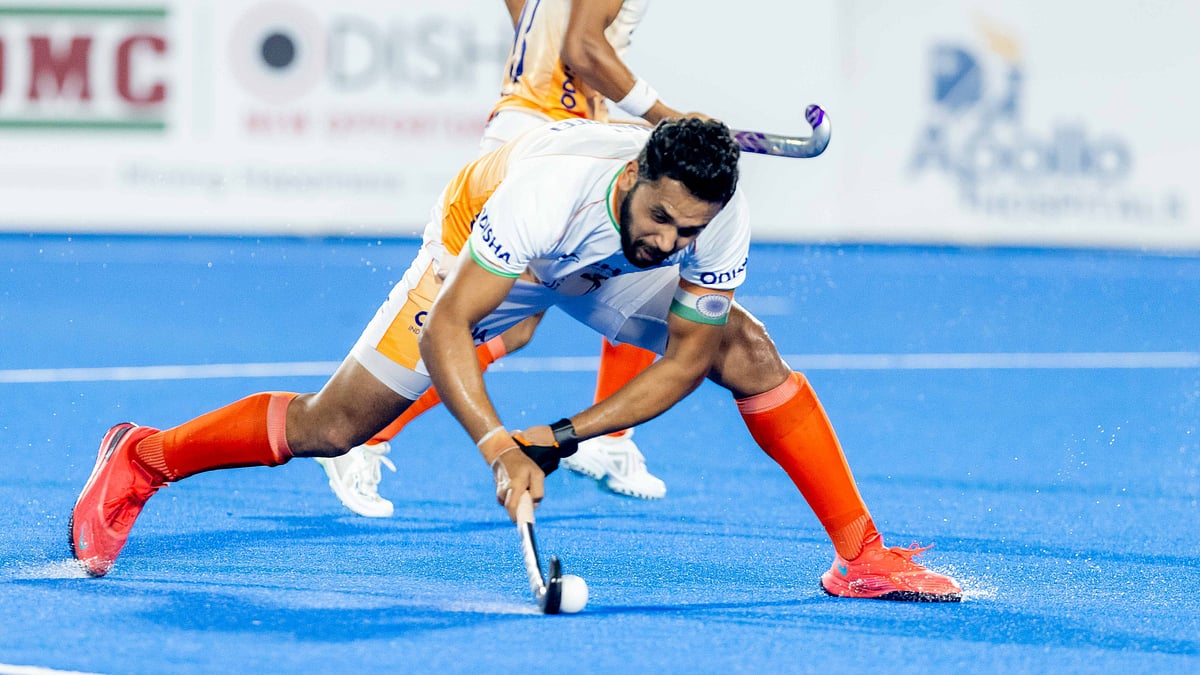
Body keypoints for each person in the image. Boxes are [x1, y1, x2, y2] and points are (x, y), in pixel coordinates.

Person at [70, 117, 963, 602]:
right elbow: (447, 328)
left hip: (598, 267)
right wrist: (499, 442)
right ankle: (143, 457)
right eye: (662, 217)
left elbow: (689, 359)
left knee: (747, 350)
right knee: (337, 424)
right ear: (634, 177)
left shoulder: (708, 220)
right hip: (489, 244)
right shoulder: (547, 194)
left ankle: (862, 554)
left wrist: (560, 436)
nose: (673, 239)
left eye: (689, 230)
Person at [317, 0, 688, 516]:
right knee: (483, 317)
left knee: (623, 271)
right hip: (554, 140)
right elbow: (583, 48)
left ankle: (612, 441)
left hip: (549, 124)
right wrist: (671, 124)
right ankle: (368, 434)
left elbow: (535, 24)